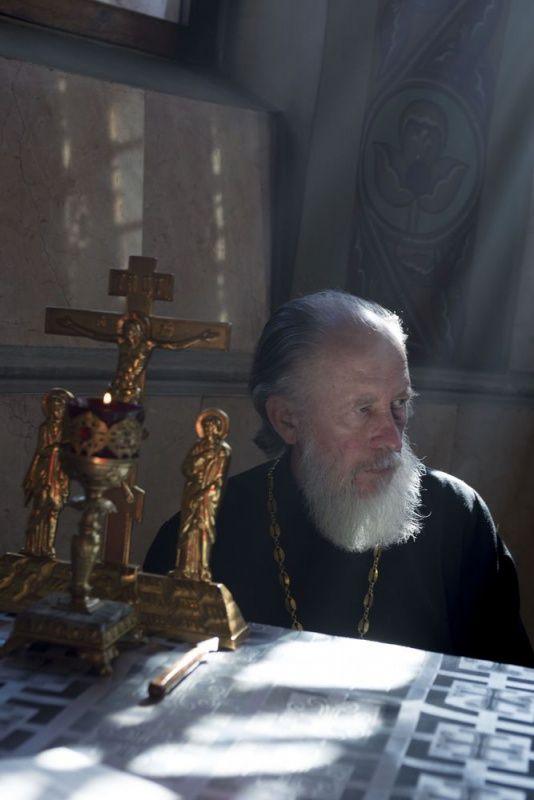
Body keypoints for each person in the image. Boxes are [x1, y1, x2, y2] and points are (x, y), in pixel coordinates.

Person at [144, 291, 534, 667]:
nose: (393, 439)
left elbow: (510, 685)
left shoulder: (457, 517)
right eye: (363, 410)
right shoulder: (201, 538)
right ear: (288, 420)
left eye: (399, 403)